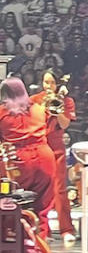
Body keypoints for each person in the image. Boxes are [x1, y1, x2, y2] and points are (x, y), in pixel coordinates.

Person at [0, 77, 56, 238]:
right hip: (45, 156)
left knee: (11, 200)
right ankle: (40, 243)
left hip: (17, 159)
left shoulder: (2, 112)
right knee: (44, 204)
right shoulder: (39, 109)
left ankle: (12, 239)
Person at [28, 70, 76, 243]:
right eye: (45, 82)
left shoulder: (67, 100)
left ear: (58, 84)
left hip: (56, 147)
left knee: (59, 189)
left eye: (51, 83)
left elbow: (64, 124)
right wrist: (44, 106)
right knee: (40, 189)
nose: (48, 86)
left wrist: (57, 110)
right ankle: (43, 230)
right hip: (39, 146)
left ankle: (66, 229)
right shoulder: (35, 100)